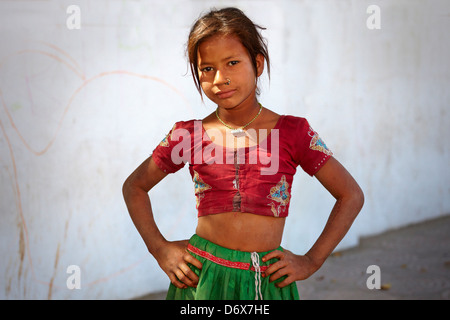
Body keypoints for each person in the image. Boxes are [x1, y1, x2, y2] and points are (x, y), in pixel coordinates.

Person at [122, 7, 364, 300]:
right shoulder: (187, 135)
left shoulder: (293, 132)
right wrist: (160, 249)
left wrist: (311, 260)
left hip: (267, 281)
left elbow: (350, 195)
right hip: (201, 282)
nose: (219, 78)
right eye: (207, 68)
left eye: (232, 62)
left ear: (258, 64)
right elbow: (134, 186)